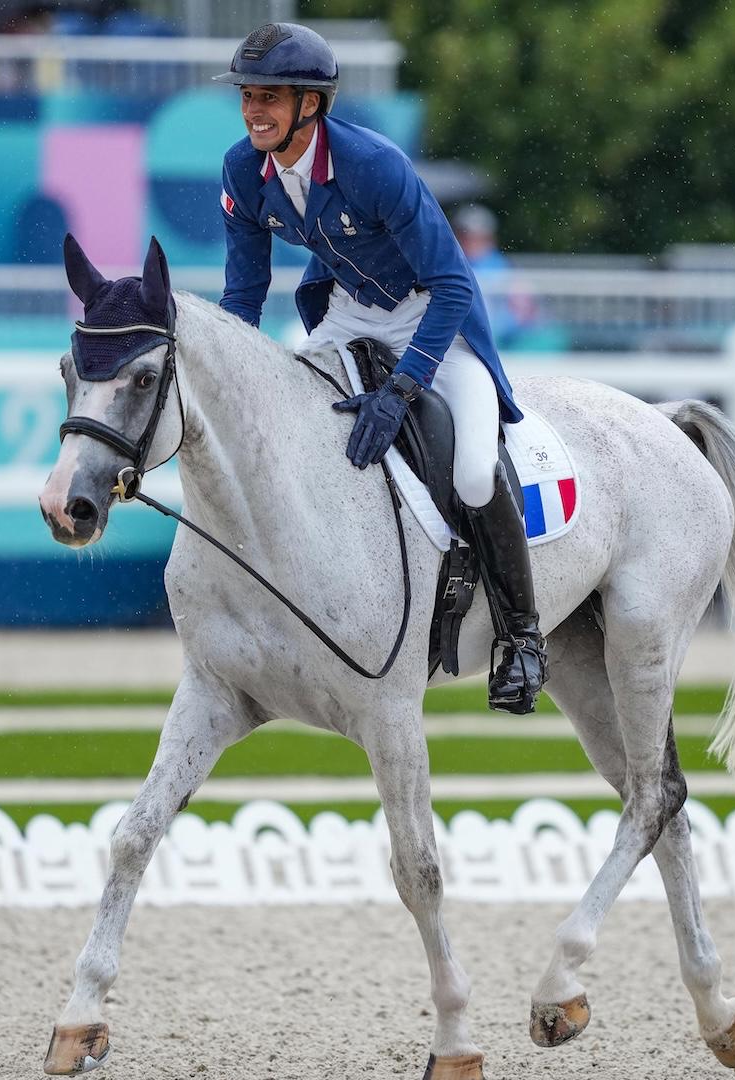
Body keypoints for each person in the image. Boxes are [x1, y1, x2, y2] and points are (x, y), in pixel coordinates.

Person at [214, 22, 546, 714]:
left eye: (269, 97)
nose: (253, 111)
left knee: (474, 470)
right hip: (345, 312)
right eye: (248, 95)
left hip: (432, 318)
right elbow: (243, 295)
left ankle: (521, 636)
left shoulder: (372, 165)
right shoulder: (243, 172)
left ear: (311, 105)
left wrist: (402, 387)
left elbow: (455, 286)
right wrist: (225, 381)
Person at [454, 203, 544, 348]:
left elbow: (523, 314)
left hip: (503, 342)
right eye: (466, 236)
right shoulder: (454, 263)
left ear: (489, 238)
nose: (471, 242)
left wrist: (498, 329)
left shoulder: (502, 266)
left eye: (477, 237)